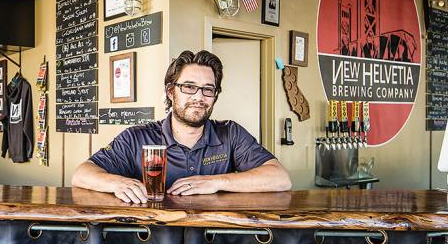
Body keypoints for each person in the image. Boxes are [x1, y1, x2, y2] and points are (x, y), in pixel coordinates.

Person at [72, 50, 291, 203]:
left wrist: (215, 182)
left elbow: (280, 178)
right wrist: (117, 184)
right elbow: (82, 174)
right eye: (189, 87)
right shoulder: (136, 137)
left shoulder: (230, 133)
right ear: (170, 92)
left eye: (208, 89)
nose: (199, 97)